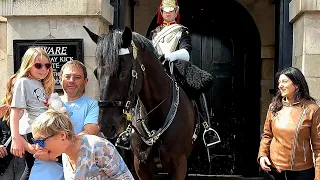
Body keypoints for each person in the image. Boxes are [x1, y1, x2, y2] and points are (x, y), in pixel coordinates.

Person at [9, 47, 64, 180]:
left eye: (47, 65)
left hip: (47, 130)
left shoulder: (41, 84)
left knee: (41, 165)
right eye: (38, 66)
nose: (44, 69)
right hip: (34, 131)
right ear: (28, 66)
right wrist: (16, 139)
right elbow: (15, 112)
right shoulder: (23, 82)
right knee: (34, 166)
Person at [31, 110, 134, 179]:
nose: (37, 147)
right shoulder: (65, 154)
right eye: (35, 142)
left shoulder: (97, 147)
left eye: (41, 142)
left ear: (62, 136)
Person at [258, 67, 320, 180]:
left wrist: (318, 176)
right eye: (279, 82)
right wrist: (262, 155)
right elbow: (267, 135)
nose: (280, 85)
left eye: (284, 81)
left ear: (297, 84)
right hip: (274, 170)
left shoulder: (312, 109)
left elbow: (318, 147)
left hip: (301, 172)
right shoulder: (274, 107)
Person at [59, 60, 99, 135]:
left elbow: (91, 131)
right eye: (67, 76)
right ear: (61, 80)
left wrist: (69, 143)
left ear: (86, 81)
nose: (71, 81)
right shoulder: (51, 102)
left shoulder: (92, 105)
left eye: (77, 77)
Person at [0, 74, 26, 180]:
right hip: (5, 162)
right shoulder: (3, 109)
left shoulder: (36, 109)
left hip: (26, 161)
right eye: (14, 85)